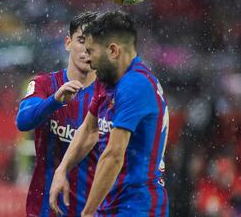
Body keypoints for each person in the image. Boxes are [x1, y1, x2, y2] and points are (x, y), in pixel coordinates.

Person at [49, 11, 169, 216]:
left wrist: (87, 213)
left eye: (91, 51)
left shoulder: (135, 85)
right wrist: (62, 169)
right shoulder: (108, 81)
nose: (88, 59)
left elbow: (113, 156)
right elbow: (88, 129)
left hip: (138, 206)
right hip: (112, 202)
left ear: (113, 50)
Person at [16, 11, 99, 216]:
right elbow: (23, 121)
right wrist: (54, 101)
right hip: (44, 205)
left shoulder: (110, 95)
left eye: (94, 43)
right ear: (68, 43)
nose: (87, 50)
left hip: (92, 208)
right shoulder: (45, 84)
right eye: (81, 40)